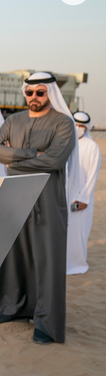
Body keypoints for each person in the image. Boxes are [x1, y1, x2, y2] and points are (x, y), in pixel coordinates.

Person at [0, 72, 78, 345]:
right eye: (30, 92)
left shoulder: (63, 123)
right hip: (15, 198)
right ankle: (11, 307)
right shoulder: (13, 120)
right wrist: (31, 155)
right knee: (13, 254)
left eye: (40, 92)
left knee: (47, 259)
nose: (34, 98)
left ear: (50, 93)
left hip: (47, 201)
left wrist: (13, 160)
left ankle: (46, 323)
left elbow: (55, 160)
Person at [66, 112, 101, 275]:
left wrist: (83, 199)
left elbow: (93, 175)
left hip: (80, 200)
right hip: (64, 196)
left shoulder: (91, 146)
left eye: (81, 126)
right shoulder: (66, 142)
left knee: (78, 233)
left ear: (86, 128)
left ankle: (77, 265)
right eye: (76, 125)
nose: (78, 128)